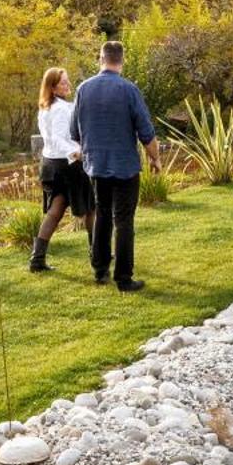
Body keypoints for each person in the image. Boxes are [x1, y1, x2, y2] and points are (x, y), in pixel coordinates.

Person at [69, 39, 162, 292]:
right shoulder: (129, 90)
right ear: (122, 60)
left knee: (101, 214)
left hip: (96, 165)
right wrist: (155, 158)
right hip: (125, 166)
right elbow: (146, 132)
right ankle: (123, 278)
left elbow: (74, 132)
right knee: (123, 221)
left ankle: (100, 270)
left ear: (101, 59)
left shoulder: (83, 89)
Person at [30, 66, 89, 273]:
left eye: (67, 81)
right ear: (53, 88)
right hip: (67, 165)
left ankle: (37, 260)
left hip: (49, 164)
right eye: (63, 82)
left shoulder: (45, 107)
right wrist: (76, 153)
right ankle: (98, 253)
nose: (68, 85)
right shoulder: (62, 109)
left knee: (55, 211)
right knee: (91, 207)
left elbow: (51, 139)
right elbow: (57, 137)